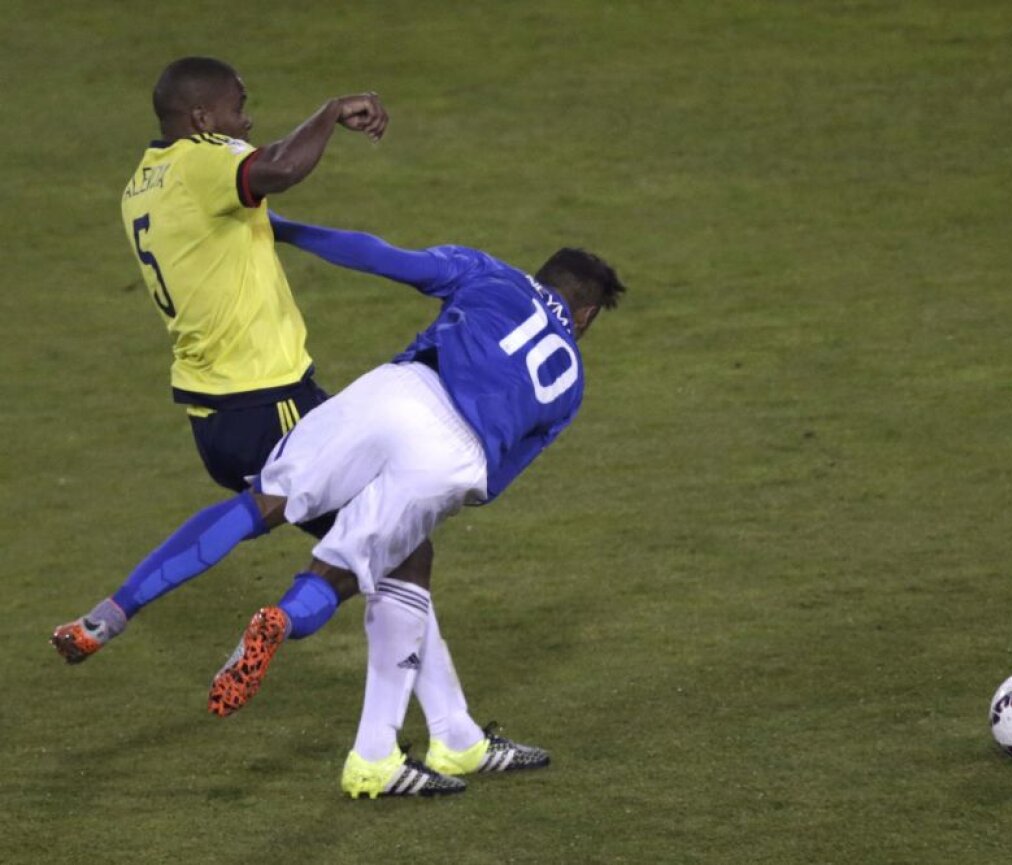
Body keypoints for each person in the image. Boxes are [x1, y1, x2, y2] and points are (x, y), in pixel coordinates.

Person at [64, 214, 627, 798]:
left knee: (268, 499)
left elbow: (383, 256)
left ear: (543, 275)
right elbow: (498, 480)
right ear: (584, 317)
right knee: (351, 564)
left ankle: (115, 610)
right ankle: (285, 629)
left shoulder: (491, 273)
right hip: (455, 451)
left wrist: (282, 227)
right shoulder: (572, 382)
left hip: (396, 390)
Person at [51, 57, 391, 658]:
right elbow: (281, 168)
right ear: (202, 116)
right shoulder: (204, 159)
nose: (248, 117)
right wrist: (334, 109)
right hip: (272, 399)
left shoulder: (142, 185)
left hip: (215, 415)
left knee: (359, 536)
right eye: (239, 105)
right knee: (391, 538)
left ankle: (111, 614)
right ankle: (286, 632)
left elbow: (249, 221)